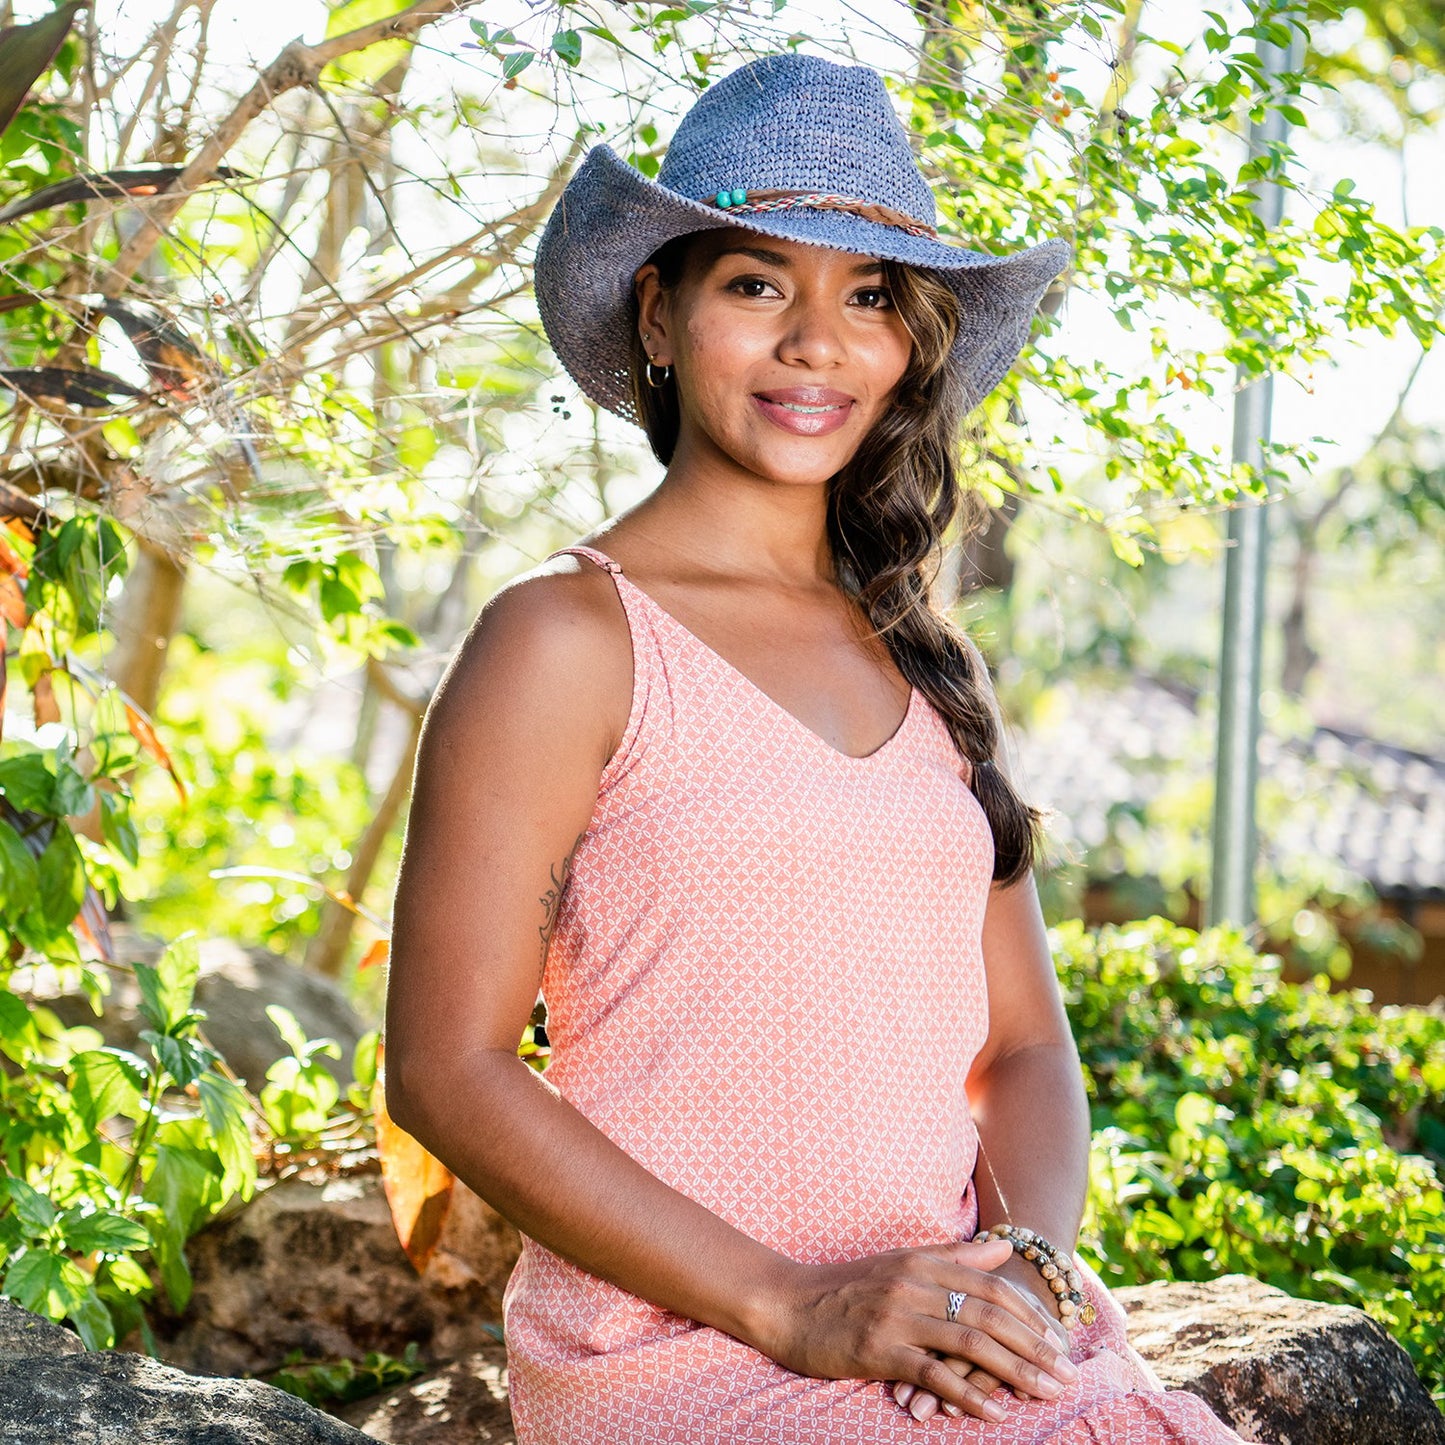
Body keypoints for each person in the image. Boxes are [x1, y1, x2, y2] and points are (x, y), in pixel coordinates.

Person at [385, 52, 1247, 1445]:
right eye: (753, 283)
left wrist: (1016, 1276)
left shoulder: (926, 656)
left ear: (909, 345)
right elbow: (445, 1066)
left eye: (865, 296)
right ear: (658, 314)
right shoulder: (564, 640)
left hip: (943, 1350)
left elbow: (1025, 1048)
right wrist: (796, 1304)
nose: (814, 341)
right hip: (687, 1356)